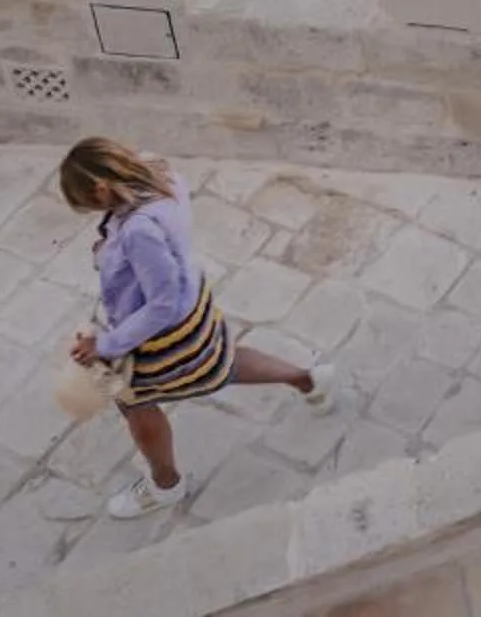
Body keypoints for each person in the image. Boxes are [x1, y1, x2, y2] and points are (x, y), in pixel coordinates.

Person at [62, 137, 334, 519]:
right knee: (223, 362)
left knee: (136, 402)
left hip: (164, 335)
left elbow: (161, 303)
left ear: (101, 188)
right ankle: (310, 380)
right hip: (194, 308)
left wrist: (106, 344)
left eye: (90, 206)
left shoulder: (139, 232)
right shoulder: (156, 169)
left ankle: (165, 485)